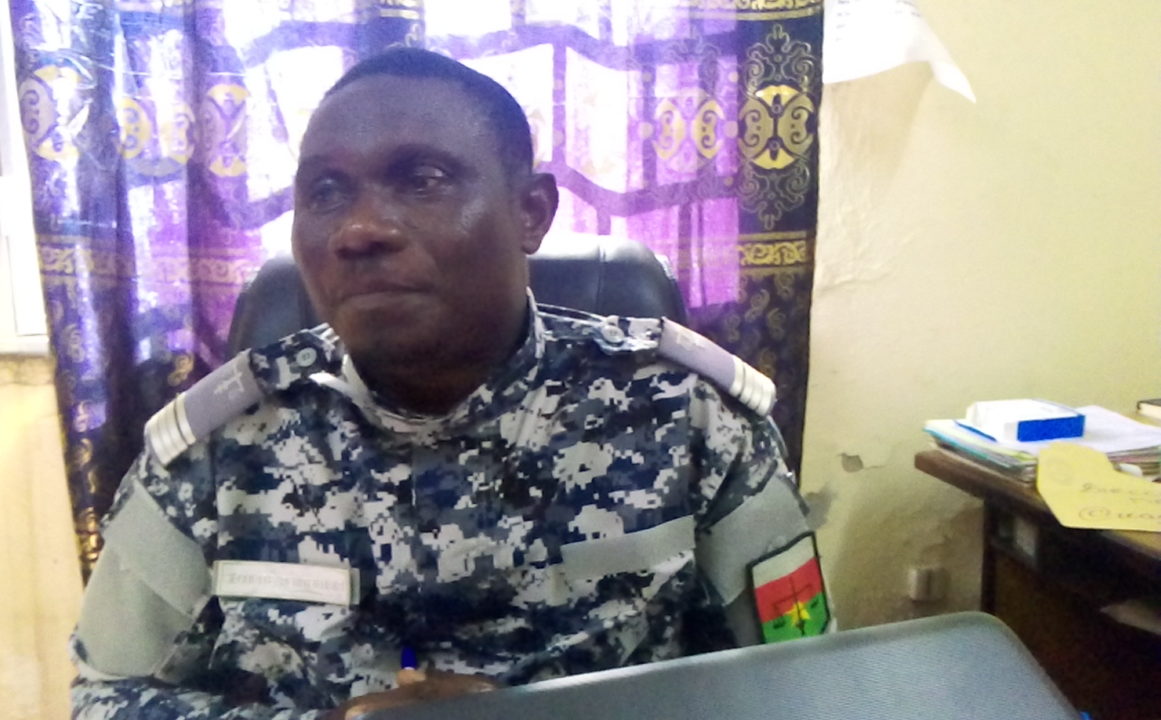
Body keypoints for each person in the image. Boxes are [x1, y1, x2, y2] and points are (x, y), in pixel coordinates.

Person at [70, 47, 829, 720]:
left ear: (531, 212)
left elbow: (804, 681)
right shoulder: (215, 451)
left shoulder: (689, 416)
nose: (359, 229)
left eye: (421, 180)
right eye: (325, 191)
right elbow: (103, 696)